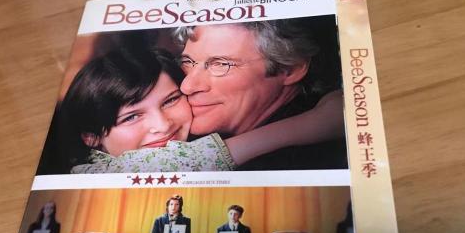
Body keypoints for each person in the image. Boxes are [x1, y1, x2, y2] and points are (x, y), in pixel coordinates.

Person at [61, 47, 344, 173]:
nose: (163, 125)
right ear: (91, 137)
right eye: (132, 117)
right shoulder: (90, 173)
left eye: (170, 100)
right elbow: (180, 162)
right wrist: (310, 124)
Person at [175, 19, 348, 170]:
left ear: (289, 70)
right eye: (187, 62)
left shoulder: (297, 164)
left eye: (221, 64)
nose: (187, 86)